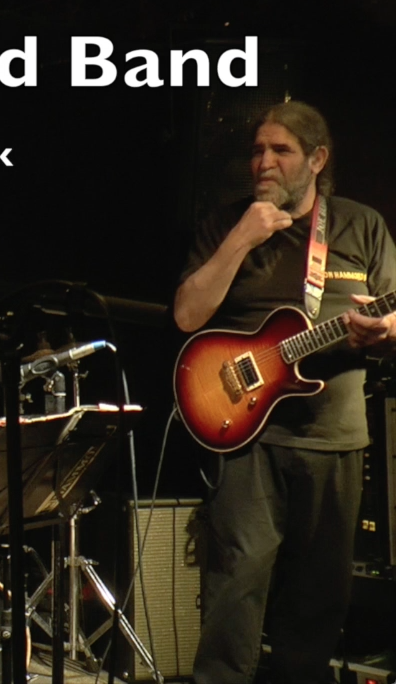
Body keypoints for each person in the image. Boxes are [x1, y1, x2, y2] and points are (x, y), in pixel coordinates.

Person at [174, 101, 396, 684]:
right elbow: (187, 314)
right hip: (249, 433)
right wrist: (240, 239)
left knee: (319, 596)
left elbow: (395, 317)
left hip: (334, 435)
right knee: (235, 586)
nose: (264, 162)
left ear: (317, 160)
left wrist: (385, 330)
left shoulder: (361, 225)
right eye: (257, 150)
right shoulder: (227, 224)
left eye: (281, 150)